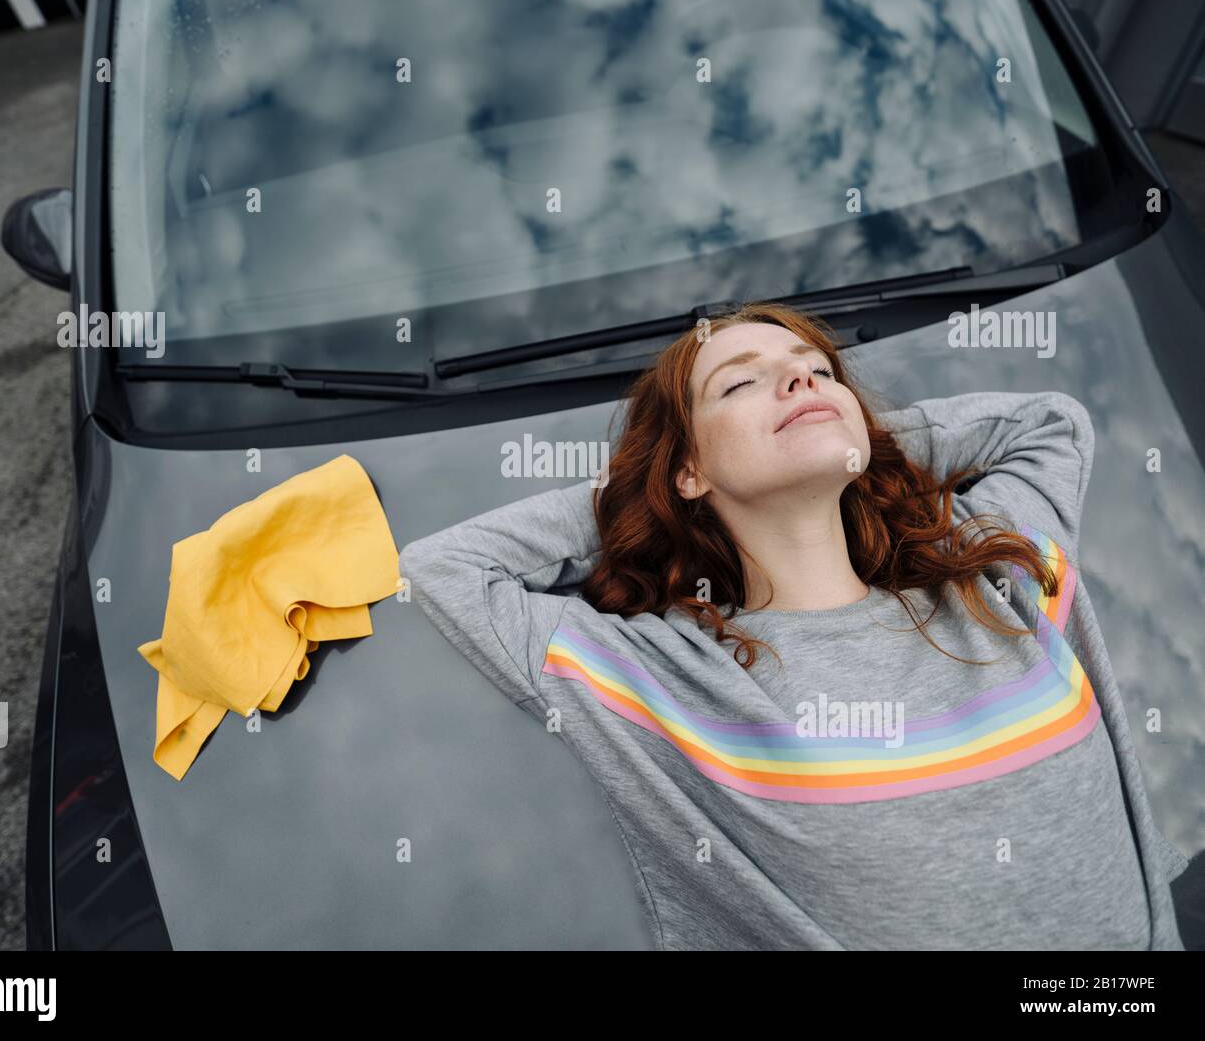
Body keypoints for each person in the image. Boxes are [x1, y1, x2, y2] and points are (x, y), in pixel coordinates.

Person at [397, 300, 1188, 951]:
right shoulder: (672, 678)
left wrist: (860, 443)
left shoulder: (986, 572)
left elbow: (1048, 422)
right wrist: (647, 495)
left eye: (818, 372)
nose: (799, 379)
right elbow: (451, 568)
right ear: (689, 469)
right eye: (741, 384)